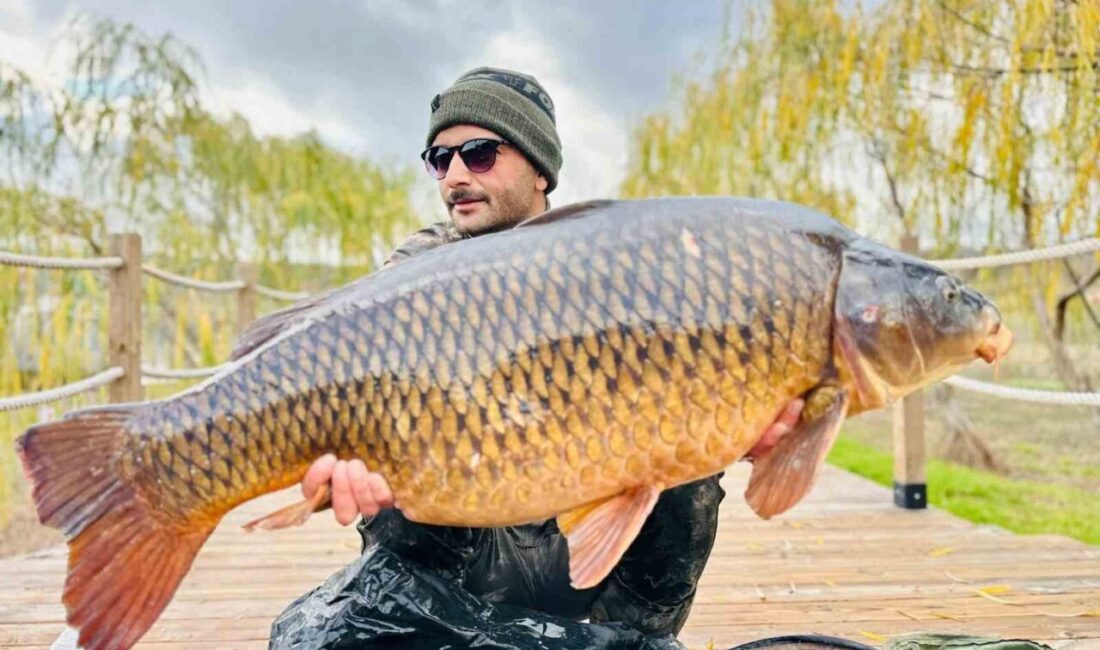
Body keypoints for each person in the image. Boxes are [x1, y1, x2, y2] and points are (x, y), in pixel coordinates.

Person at [271, 67, 795, 650]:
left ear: (541, 169)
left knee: (683, 436)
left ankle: (630, 637)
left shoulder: (608, 263)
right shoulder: (420, 268)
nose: (456, 177)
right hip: (471, 560)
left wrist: (741, 415)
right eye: (439, 159)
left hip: (597, 554)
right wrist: (336, 459)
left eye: (479, 153)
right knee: (399, 435)